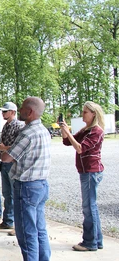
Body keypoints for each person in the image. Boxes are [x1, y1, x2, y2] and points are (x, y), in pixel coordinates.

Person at [1, 97, 51, 261]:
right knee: (39, 228)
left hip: (27, 187)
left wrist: (3, 150)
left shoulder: (28, 133)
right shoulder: (44, 130)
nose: (20, 110)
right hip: (41, 185)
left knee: (26, 231)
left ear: (29, 112)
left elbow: (8, 158)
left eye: (22, 107)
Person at [60, 101, 105, 251]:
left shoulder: (96, 131)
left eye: (85, 112)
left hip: (91, 172)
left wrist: (68, 131)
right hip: (86, 172)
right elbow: (67, 142)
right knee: (91, 207)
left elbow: (80, 148)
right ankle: (96, 241)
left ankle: (90, 242)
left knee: (89, 207)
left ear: (94, 114)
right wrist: (63, 129)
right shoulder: (86, 130)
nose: (82, 114)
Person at [0, 102, 25, 233]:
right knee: (7, 194)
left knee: (15, 194)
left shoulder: (19, 126)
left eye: (5, 111)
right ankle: (8, 221)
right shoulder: (6, 126)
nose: (3, 113)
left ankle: (17, 224)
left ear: (13, 112)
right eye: (3, 111)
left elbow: (21, 147)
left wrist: (4, 148)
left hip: (13, 163)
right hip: (5, 163)